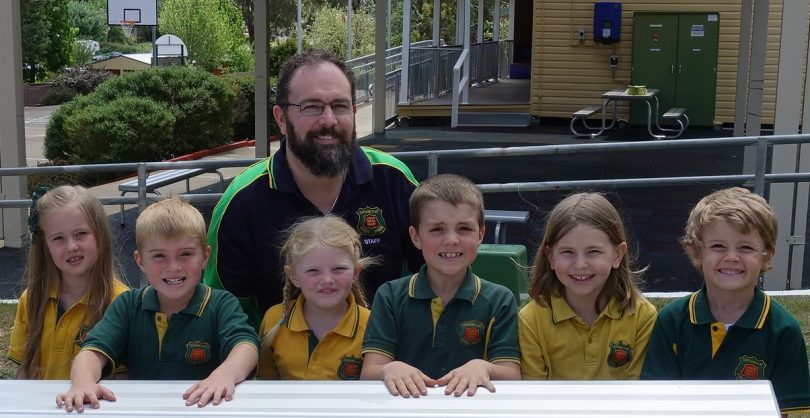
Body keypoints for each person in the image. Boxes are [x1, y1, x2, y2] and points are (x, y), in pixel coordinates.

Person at [204, 49, 422, 328]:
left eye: (340, 106)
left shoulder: (394, 181)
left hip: (385, 366)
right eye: (312, 107)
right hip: (281, 368)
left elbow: (435, 280)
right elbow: (225, 314)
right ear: (281, 119)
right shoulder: (242, 201)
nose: (329, 120)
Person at [56, 198, 259, 412]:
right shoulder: (128, 305)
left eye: (185, 254)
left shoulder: (221, 304)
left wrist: (224, 375)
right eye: (159, 256)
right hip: (144, 410)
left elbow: (246, 347)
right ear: (140, 260)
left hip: (204, 409)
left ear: (205, 256)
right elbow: (92, 352)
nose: (173, 267)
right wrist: (83, 383)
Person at [641, 187, 810, 415]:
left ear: (768, 255)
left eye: (746, 247)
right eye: (718, 246)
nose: (732, 257)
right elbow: (656, 403)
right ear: (697, 252)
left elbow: (789, 410)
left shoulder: (783, 329)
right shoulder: (672, 321)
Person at [361, 174, 520, 397]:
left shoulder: (499, 299)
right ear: (415, 237)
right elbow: (369, 372)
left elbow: (512, 374)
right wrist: (389, 368)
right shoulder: (390, 295)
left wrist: (483, 367)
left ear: (481, 234)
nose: (452, 240)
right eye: (437, 229)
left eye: (464, 228)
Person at [518, 192, 657, 380]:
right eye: (568, 252)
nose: (580, 264)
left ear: (617, 255)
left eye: (593, 251)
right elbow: (533, 395)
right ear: (551, 257)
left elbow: (637, 393)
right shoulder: (531, 320)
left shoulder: (642, 316)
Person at [8, 185, 129, 379]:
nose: (72, 246)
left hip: (93, 409)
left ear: (100, 233)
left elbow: (124, 378)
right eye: (58, 238)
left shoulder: (122, 303)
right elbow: (24, 373)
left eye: (80, 234)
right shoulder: (31, 299)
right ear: (45, 246)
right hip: (42, 409)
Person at [258, 215, 372, 380]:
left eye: (338, 269)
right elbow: (265, 386)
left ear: (355, 272)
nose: (327, 280)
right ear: (293, 276)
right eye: (313, 271)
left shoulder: (372, 325)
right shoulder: (274, 320)